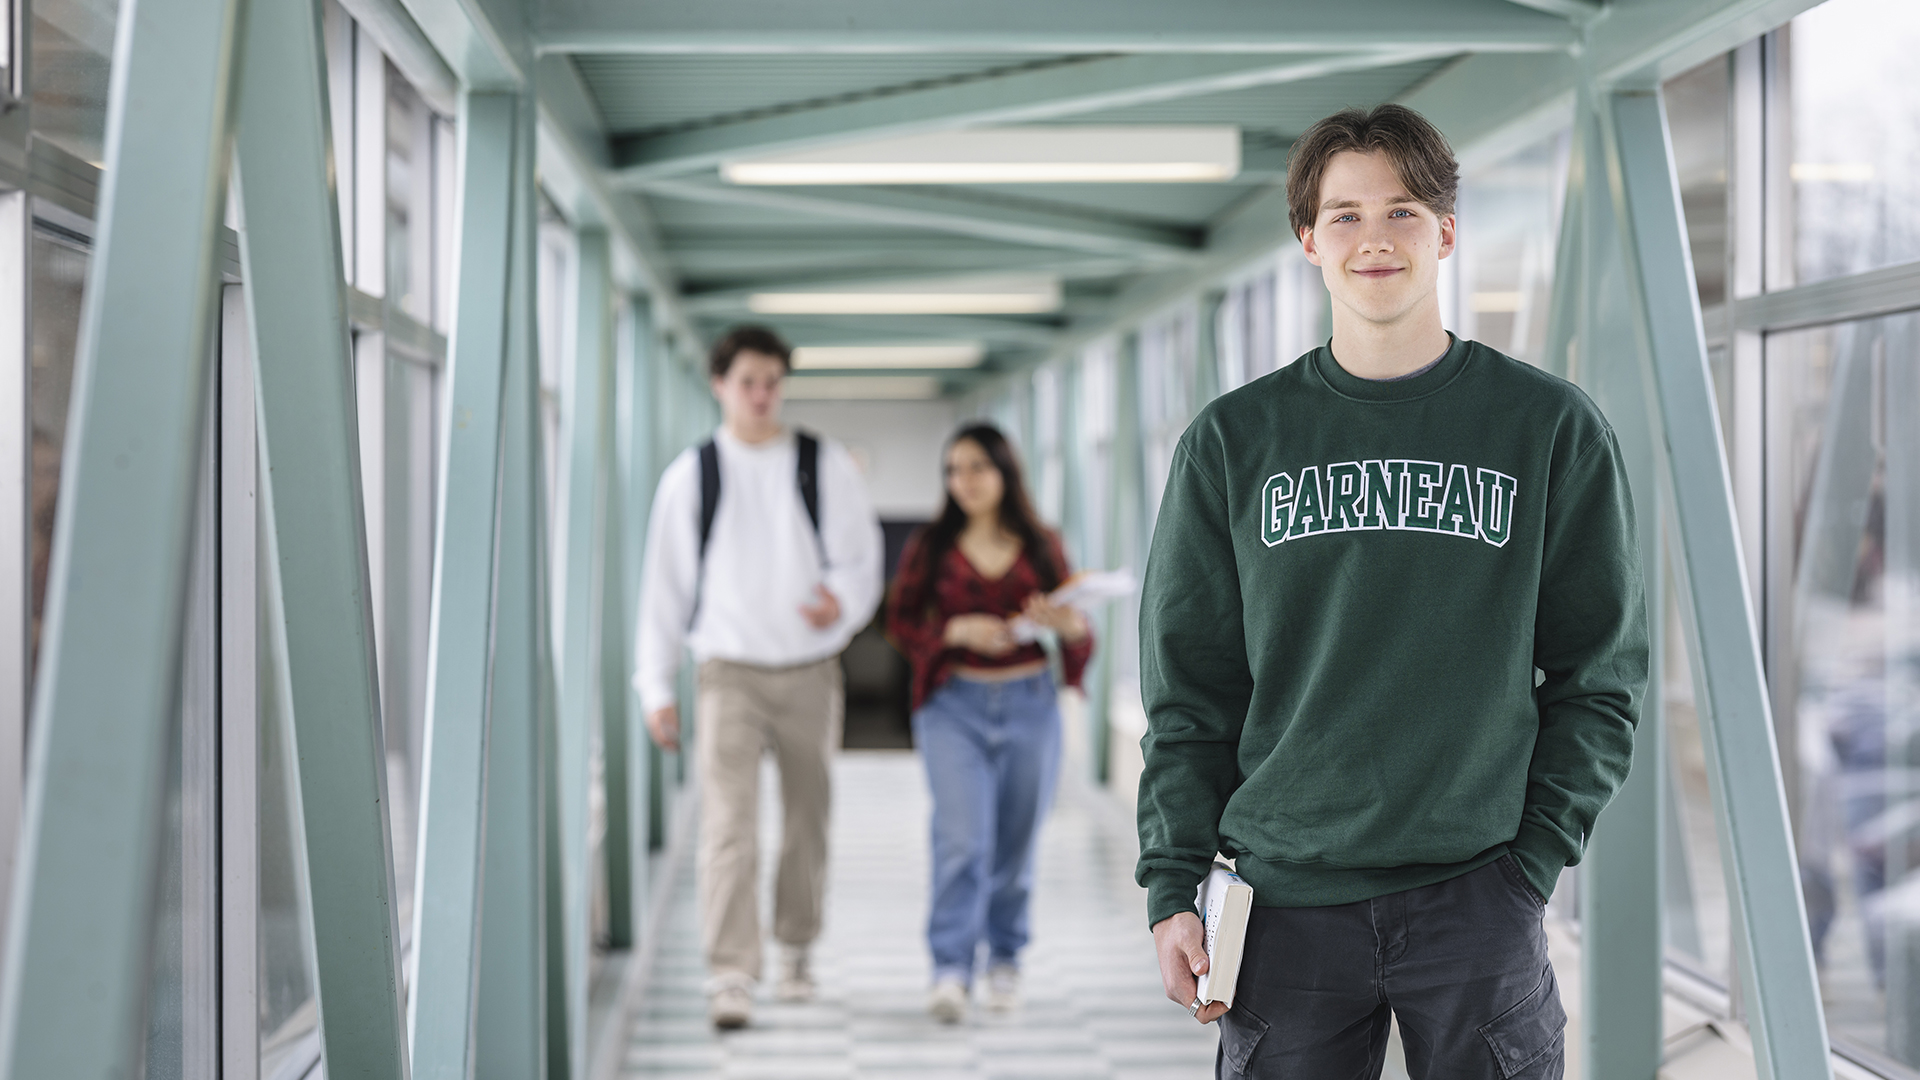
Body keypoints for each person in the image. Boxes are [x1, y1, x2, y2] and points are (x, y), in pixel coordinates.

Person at [1136, 104, 1648, 1079]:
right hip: (1282, 902)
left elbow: (1601, 672)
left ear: (1448, 232)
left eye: (1404, 212)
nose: (1375, 238)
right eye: (1345, 215)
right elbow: (1190, 690)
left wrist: (1532, 859)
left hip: (1477, 897)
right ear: (1307, 240)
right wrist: (1172, 889)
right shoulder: (1234, 442)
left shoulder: (1547, 427)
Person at [634, 325, 883, 1030]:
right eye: (748, 381)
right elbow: (664, 588)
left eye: (773, 380)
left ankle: (797, 947)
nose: (762, 394)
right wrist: (655, 686)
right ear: (720, 384)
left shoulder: (821, 463)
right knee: (728, 828)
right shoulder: (692, 475)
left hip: (809, 672)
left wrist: (842, 597)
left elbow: (860, 561)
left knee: (809, 820)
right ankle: (730, 973)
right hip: (728, 675)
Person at [886, 423, 1093, 1024]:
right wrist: (954, 631)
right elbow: (900, 622)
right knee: (961, 841)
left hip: (1030, 704)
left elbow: (1079, 630)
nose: (964, 481)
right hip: (953, 706)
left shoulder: (1042, 544)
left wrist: (1068, 625)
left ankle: (1005, 958)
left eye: (976, 467)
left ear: (1005, 472)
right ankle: (950, 966)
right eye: (953, 470)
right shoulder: (932, 543)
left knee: (1015, 842)